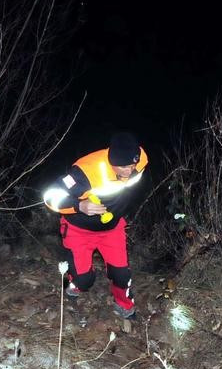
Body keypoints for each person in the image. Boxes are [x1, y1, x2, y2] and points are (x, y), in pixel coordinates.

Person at [42, 132, 149, 319]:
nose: (129, 171)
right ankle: (72, 280)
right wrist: (79, 205)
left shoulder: (140, 162)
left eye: (132, 165)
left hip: (111, 229)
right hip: (78, 230)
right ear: (111, 161)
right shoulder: (86, 172)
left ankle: (124, 305)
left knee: (122, 274)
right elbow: (50, 197)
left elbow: (129, 186)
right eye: (123, 167)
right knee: (84, 281)